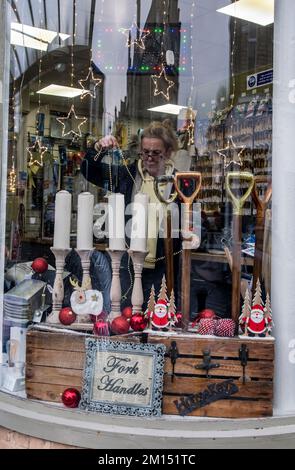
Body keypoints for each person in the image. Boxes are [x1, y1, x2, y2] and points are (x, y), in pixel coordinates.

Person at [81, 121, 198, 310]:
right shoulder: (127, 175)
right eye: (145, 152)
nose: (149, 158)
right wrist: (98, 148)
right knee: (126, 316)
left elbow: (195, 227)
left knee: (161, 319)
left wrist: (192, 232)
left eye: (155, 153)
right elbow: (89, 171)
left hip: (166, 267)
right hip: (128, 266)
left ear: (168, 152)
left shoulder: (183, 183)